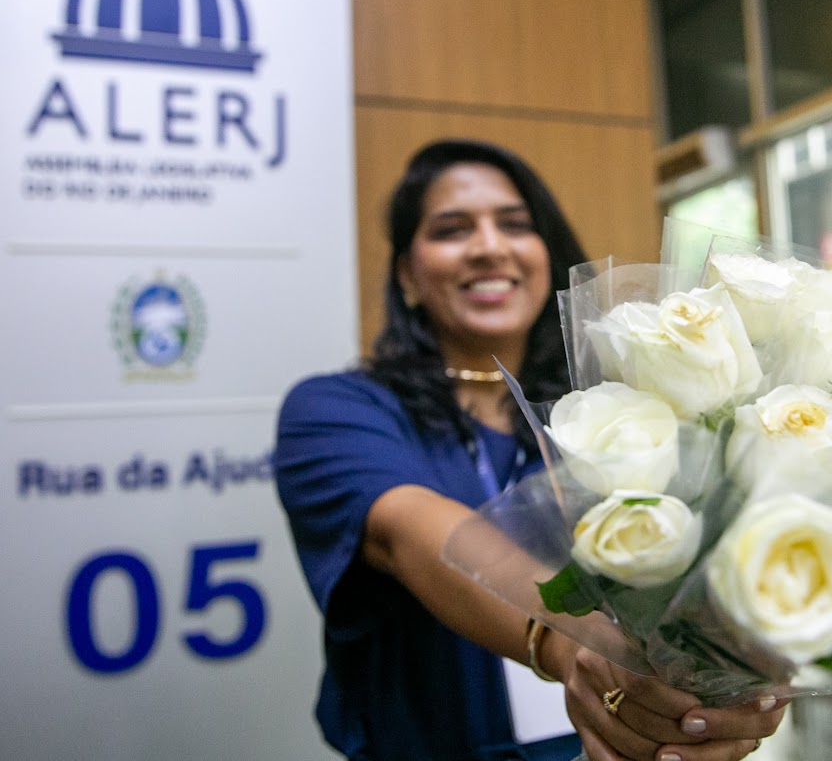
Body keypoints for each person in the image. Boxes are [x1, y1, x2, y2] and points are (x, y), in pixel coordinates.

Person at [274, 139, 787, 761]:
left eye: (516, 225)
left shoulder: (622, 409)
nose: (490, 246)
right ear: (407, 274)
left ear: (547, 254)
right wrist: (569, 643)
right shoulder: (337, 410)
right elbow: (409, 533)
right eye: (452, 229)